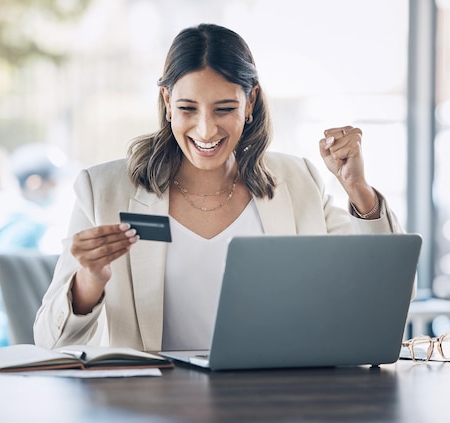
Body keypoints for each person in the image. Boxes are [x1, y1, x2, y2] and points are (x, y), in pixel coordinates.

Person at [34, 23, 405, 351]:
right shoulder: (101, 191)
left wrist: (357, 189)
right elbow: (51, 341)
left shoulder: (299, 181)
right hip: (153, 404)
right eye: (188, 108)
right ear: (167, 102)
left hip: (276, 397)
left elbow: (387, 298)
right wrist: (89, 281)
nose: (206, 130)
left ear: (250, 102)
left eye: (224, 108)